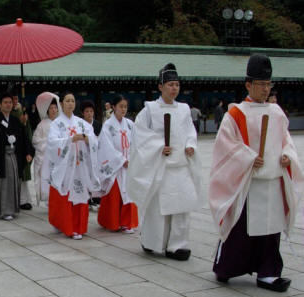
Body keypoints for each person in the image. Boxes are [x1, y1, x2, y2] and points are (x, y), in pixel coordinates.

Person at [209, 54, 304, 293]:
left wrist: (287, 155)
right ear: (248, 84)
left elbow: (286, 141)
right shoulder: (236, 114)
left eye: (268, 84)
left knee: (271, 230)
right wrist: (248, 158)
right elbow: (225, 146)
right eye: (260, 84)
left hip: (272, 179)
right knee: (240, 229)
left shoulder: (277, 112)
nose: (265, 88)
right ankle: (226, 267)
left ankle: (269, 273)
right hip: (247, 182)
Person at [127, 63, 203, 261]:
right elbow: (140, 136)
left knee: (182, 207)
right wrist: (159, 147)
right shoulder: (150, 110)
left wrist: (190, 145)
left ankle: (178, 245)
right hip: (161, 166)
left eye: (177, 84)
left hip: (181, 166)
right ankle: (153, 242)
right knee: (159, 210)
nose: (174, 88)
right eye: (170, 84)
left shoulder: (185, 109)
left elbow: (190, 132)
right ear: (160, 87)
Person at [42, 91, 100, 239]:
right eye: (67, 101)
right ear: (61, 103)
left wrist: (86, 138)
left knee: (80, 195)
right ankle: (70, 227)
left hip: (80, 166)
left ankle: (80, 226)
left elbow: (94, 139)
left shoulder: (81, 123)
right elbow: (52, 143)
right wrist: (70, 140)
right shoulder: (57, 123)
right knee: (68, 197)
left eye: (72, 101)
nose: (70, 103)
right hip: (66, 167)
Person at [0, 93, 34, 220]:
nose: (8, 104)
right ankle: (4, 210)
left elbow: (24, 139)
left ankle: (12, 209)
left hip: (14, 156)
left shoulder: (16, 121)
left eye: (10, 102)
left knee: (13, 183)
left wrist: (28, 152)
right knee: (2, 183)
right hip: (0, 157)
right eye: (5, 102)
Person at [96, 95, 138, 233]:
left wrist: (131, 159)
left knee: (129, 193)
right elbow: (106, 147)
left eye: (125, 106)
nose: (123, 109)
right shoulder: (108, 126)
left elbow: (137, 143)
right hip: (116, 166)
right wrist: (121, 160)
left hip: (129, 164)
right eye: (120, 106)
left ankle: (127, 222)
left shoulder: (130, 125)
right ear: (113, 107)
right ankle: (112, 221)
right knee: (115, 194)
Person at [32, 92, 60, 206]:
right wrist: (48, 144)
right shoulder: (42, 124)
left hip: (59, 156)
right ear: (47, 110)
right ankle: (49, 199)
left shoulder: (60, 123)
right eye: (51, 108)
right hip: (46, 157)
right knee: (48, 179)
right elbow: (35, 140)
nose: (53, 110)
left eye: (55, 108)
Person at [80, 100, 102, 210]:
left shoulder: (98, 124)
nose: (89, 114)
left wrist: (93, 140)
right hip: (85, 154)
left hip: (96, 154)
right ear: (83, 113)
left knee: (96, 175)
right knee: (86, 175)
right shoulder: (80, 125)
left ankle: (97, 198)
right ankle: (87, 198)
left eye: (91, 111)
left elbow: (102, 140)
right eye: (87, 111)